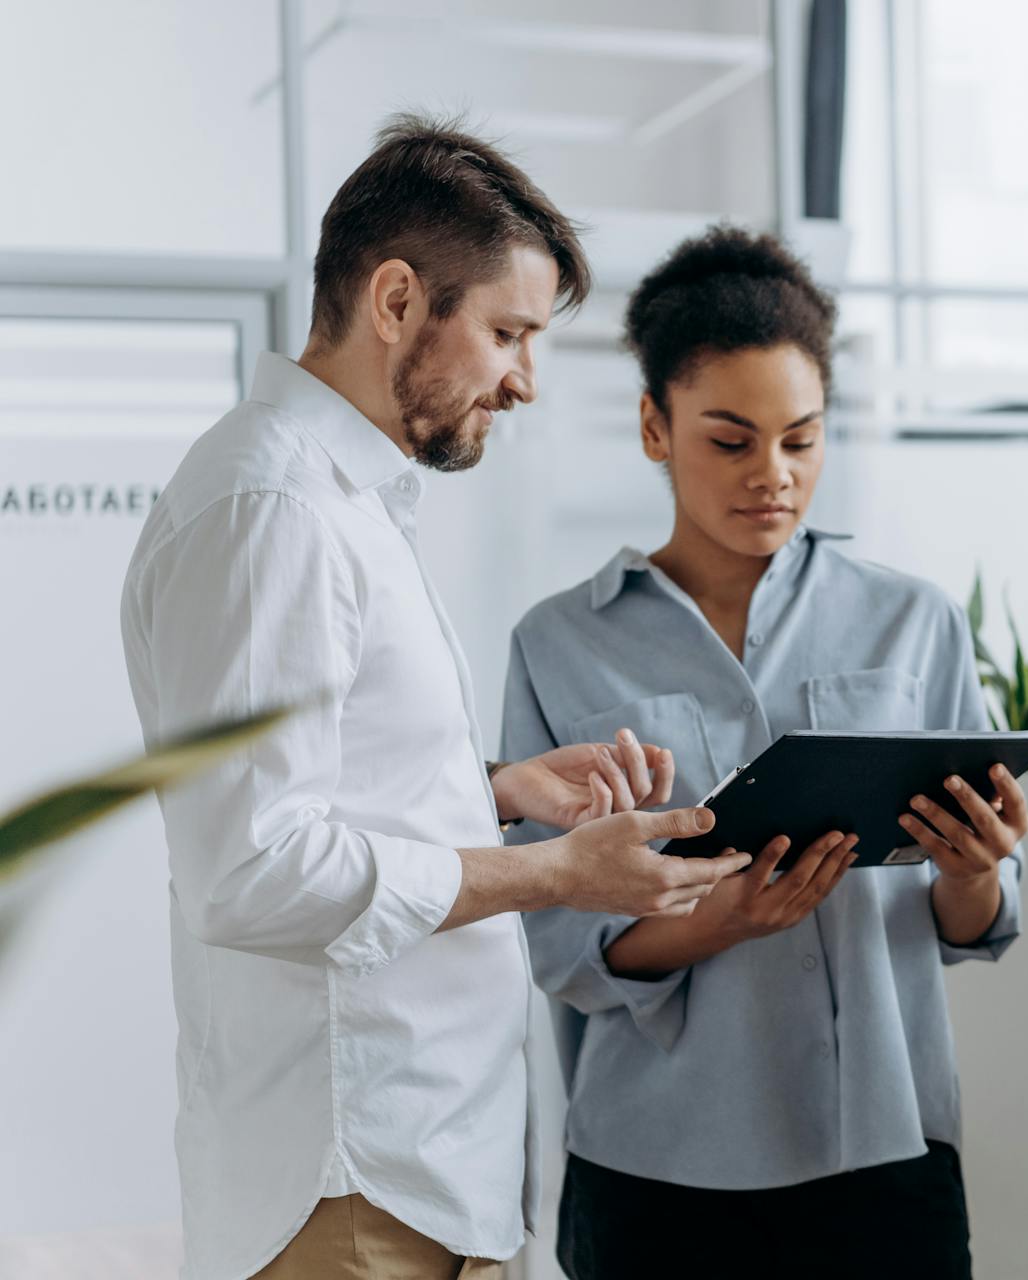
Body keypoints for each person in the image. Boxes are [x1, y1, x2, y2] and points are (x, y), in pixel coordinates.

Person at [119, 115, 749, 1280]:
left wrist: (489, 790)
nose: (524, 380)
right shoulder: (279, 512)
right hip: (349, 1188)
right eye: (508, 331)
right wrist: (562, 872)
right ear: (398, 299)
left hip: (420, 1173)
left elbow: (330, 787)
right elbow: (255, 869)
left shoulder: (343, 498)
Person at [501, 227, 1028, 1279]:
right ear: (655, 426)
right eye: (731, 440)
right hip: (657, 1167)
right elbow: (563, 947)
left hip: (885, 1157)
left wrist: (972, 867)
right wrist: (719, 920)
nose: (774, 476)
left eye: (802, 438)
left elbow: (976, 923)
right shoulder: (558, 642)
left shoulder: (915, 623)